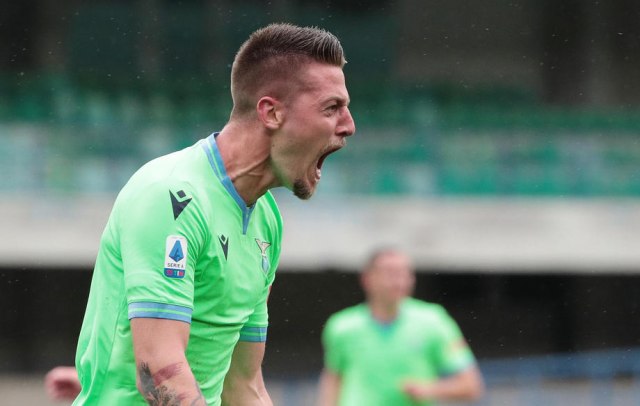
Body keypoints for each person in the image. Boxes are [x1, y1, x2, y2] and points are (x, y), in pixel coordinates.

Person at [48, 23, 355, 405]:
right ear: (272, 112)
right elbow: (159, 371)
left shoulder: (266, 219)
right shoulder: (171, 195)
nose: (349, 125)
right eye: (332, 108)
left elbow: (243, 385)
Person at [318, 248, 484, 406]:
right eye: (390, 273)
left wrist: (429, 389)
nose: (399, 281)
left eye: (405, 273)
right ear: (367, 279)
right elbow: (333, 380)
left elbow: (470, 386)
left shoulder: (434, 321)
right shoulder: (342, 326)